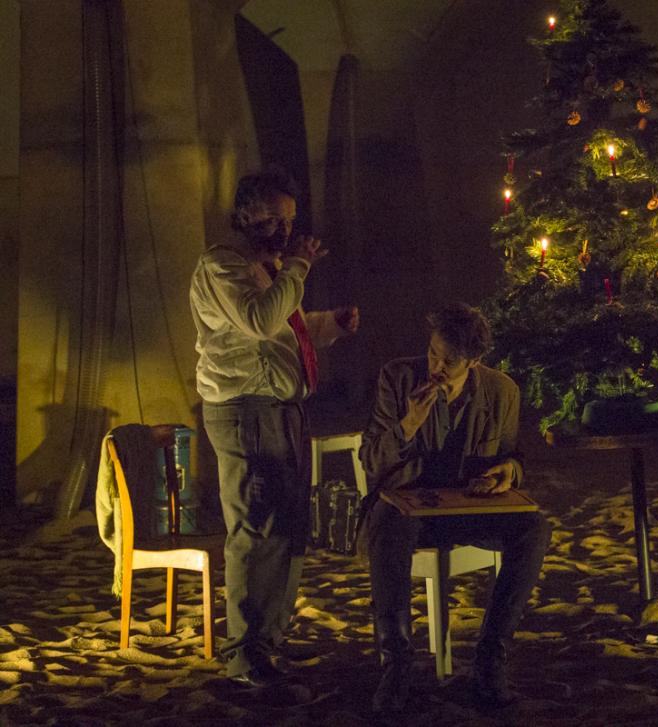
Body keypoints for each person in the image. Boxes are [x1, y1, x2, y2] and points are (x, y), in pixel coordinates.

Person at [190, 169, 359, 686]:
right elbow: (260, 320)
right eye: (271, 218)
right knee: (255, 528)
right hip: (245, 411)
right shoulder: (222, 265)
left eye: (288, 220)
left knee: (287, 528)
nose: (283, 230)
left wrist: (329, 324)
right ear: (243, 215)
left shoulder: (267, 270)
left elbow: (285, 331)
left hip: (281, 411)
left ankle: (269, 640)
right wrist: (299, 268)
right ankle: (245, 652)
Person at [359, 303, 551, 712]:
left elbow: (513, 457)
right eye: (433, 353)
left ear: (474, 361)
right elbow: (371, 461)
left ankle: (490, 658)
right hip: (408, 507)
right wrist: (408, 425)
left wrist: (507, 473)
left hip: (466, 509)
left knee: (534, 527)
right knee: (386, 521)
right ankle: (396, 664)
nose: (436, 367)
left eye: (448, 361)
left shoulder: (501, 391)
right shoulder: (398, 379)